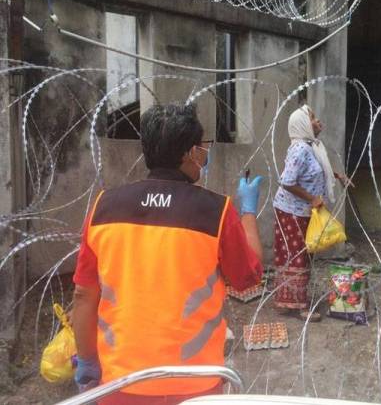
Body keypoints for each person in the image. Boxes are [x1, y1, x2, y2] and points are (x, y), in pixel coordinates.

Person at [71, 104, 264, 404]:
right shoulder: (217, 211)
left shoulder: (103, 208)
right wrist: (249, 211)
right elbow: (248, 277)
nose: (204, 155)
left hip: (121, 381)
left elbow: (84, 295)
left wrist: (87, 361)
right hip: (195, 383)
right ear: (189, 153)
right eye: (202, 148)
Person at [272, 104, 349, 322]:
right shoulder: (301, 149)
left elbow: (313, 170)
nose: (317, 121)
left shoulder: (311, 146)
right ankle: (298, 306)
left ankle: (287, 301)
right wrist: (312, 198)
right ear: (302, 125)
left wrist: (337, 175)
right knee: (298, 256)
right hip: (292, 211)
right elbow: (287, 181)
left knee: (299, 255)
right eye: (312, 118)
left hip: (302, 212)